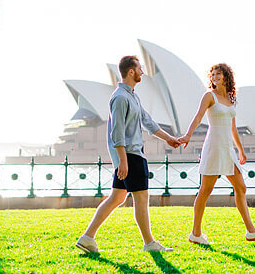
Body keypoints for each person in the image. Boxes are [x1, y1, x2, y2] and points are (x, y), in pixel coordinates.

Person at [76, 55, 181, 254]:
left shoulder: (132, 95)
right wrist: (123, 161)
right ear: (131, 71)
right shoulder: (120, 97)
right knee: (141, 199)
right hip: (131, 156)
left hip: (130, 155)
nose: (142, 72)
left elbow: (147, 121)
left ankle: (87, 237)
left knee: (117, 198)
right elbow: (117, 131)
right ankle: (149, 243)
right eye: (140, 68)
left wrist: (169, 138)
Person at [179, 63, 255, 245]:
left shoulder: (231, 98)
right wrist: (188, 135)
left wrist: (241, 150)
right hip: (213, 147)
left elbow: (233, 127)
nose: (215, 77)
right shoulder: (209, 96)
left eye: (218, 73)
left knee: (241, 187)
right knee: (205, 191)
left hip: (227, 148)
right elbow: (198, 117)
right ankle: (195, 233)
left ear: (226, 76)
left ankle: (251, 231)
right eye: (212, 74)